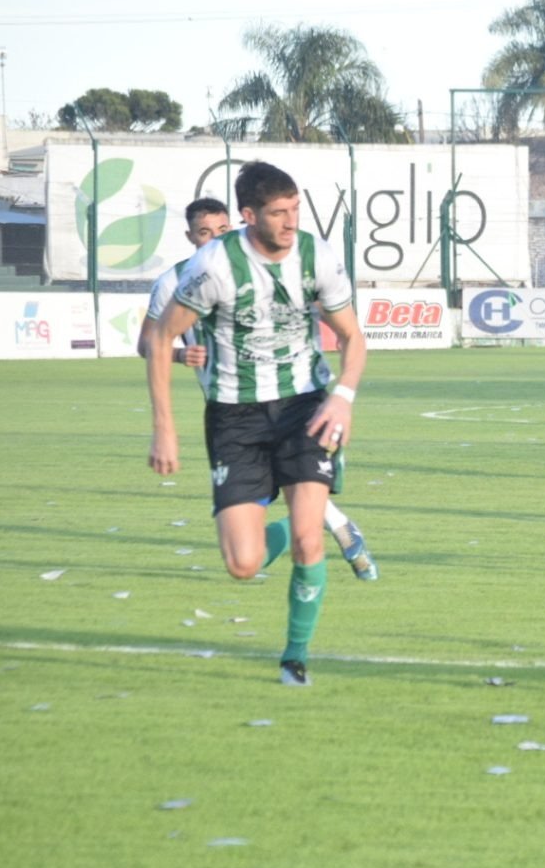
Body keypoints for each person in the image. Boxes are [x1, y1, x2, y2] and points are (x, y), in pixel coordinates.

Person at [146, 161, 368, 687]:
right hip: (234, 416)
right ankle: (300, 525)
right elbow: (158, 338)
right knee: (243, 564)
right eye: (278, 213)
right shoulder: (214, 266)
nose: (291, 222)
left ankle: (295, 658)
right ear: (249, 215)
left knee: (310, 543)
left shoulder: (317, 256)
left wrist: (342, 397)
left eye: (295, 209)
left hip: (304, 407)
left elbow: (352, 337)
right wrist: (165, 428)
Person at [140, 197, 377, 582]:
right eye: (204, 232)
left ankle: (321, 525)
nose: (214, 238)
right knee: (244, 562)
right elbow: (149, 342)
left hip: (295, 403)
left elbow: (340, 324)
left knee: (304, 527)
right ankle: (323, 521)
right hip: (230, 407)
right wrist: (181, 356)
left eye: (222, 229)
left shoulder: (264, 264)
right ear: (190, 237)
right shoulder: (174, 281)